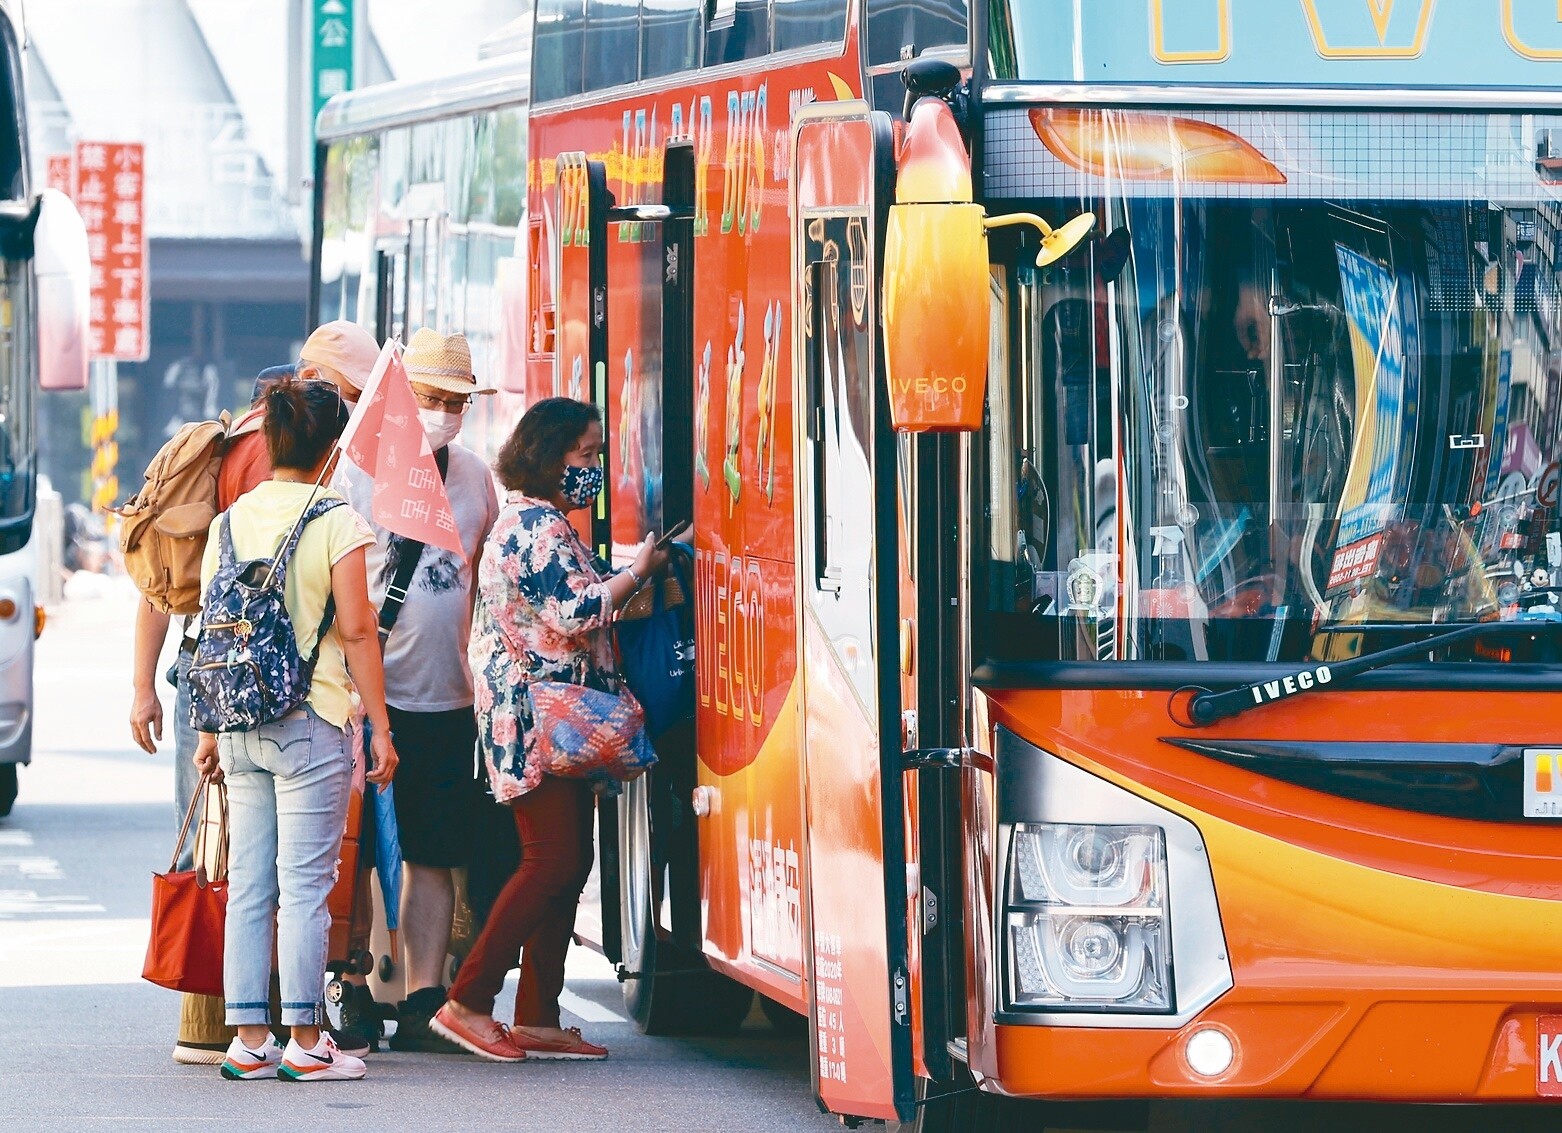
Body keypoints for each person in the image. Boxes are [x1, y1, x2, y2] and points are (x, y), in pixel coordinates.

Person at [430, 397, 666, 1063]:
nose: (592, 467)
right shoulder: (533, 528)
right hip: (534, 721)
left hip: (551, 721)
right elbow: (574, 610)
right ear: (549, 455)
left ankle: (537, 1011)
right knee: (550, 859)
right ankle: (469, 1000)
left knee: (571, 860)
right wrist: (636, 574)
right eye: (584, 455)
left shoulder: (544, 525)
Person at [192, 379, 399, 1082]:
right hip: (310, 721)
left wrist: (211, 729)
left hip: (241, 724)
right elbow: (358, 627)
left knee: (251, 882)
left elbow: (210, 630)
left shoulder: (230, 521)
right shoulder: (337, 518)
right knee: (305, 886)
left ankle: (249, 1037)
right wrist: (380, 726)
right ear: (331, 448)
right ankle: (306, 1038)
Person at [337, 328, 499, 1051]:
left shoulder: (474, 478)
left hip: (447, 700)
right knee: (360, 853)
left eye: (457, 401)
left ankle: (423, 994)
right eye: (432, 398)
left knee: (433, 851)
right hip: (365, 699)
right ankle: (353, 992)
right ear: (404, 400)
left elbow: (487, 578)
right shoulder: (355, 474)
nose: (444, 411)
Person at [129, 372, 275, 1066]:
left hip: (195, 671)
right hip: (239, 681)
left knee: (213, 835)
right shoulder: (264, 466)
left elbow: (157, 590)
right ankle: (229, 1008)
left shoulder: (209, 463)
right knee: (241, 840)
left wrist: (142, 690)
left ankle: (209, 1012)